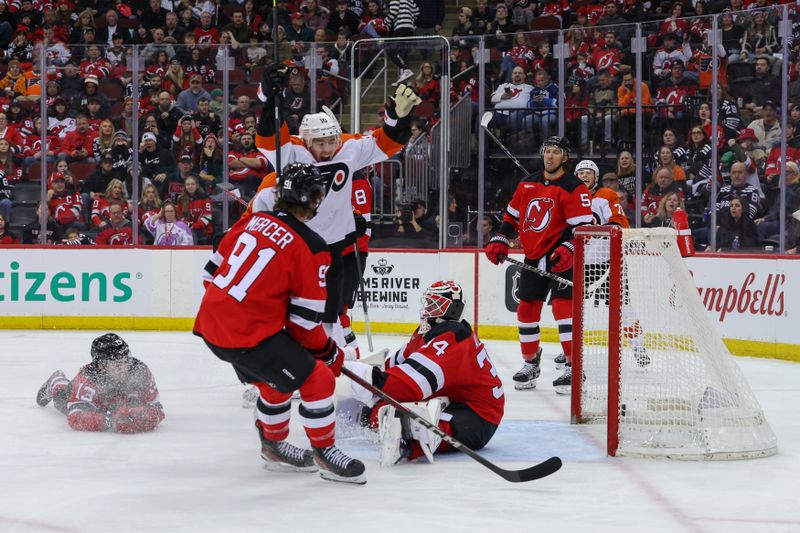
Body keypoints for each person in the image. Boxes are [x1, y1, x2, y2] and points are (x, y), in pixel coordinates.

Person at [193, 163, 366, 485]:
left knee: (276, 381)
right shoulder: (312, 246)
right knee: (318, 380)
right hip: (247, 334)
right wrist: (330, 354)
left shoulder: (251, 222)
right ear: (314, 200)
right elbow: (304, 326)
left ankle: (272, 448)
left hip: (211, 324)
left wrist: (254, 311)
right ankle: (325, 454)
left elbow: (208, 276)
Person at [255, 64, 419, 350]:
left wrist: (397, 119)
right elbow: (268, 136)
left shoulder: (348, 147)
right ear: (306, 140)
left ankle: (329, 366)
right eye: (321, 143)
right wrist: (270, 97)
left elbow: (387, 144)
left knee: (331, 314)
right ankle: (278, 372)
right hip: (295, 249)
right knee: (290, 313)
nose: (328, 148)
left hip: (333, 248)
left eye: (332, 140)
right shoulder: (290, 151)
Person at [345, 281, 504, 466]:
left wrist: (362, 378)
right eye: (428, 303)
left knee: (411, 423)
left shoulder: (453, 337)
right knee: (379, 410)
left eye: (435, 304)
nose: (428, 309)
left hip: (479, 416)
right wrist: (369, 375)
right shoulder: (428, 330)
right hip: (454, 399)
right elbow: (397, 363)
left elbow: (409, 385)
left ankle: (410, 444)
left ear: (453, 309)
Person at [485, 136, 593, 394]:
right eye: (547, 151)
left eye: (556, 152)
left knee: (564, 310)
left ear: (564, 157)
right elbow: (512, 216)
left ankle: (573, 367)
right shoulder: (527, 183)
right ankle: (530, 363)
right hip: (534, 256)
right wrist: (501, 237)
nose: (550, 156)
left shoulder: (574, 186)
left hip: (562, 257)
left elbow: (583, 226)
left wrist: (568, 248)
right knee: (526, 311)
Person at [35, 333, 165, 433]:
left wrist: (144, 417)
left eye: (126, 360)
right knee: (60, 397)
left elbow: (157, 407)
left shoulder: (140, 370)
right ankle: (56, 380)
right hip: (86, 402)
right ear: (101, 365)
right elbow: (75, 417)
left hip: (113, 404)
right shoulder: (88, 377)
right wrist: (109, 422)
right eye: (117, 364)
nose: (124, 367)